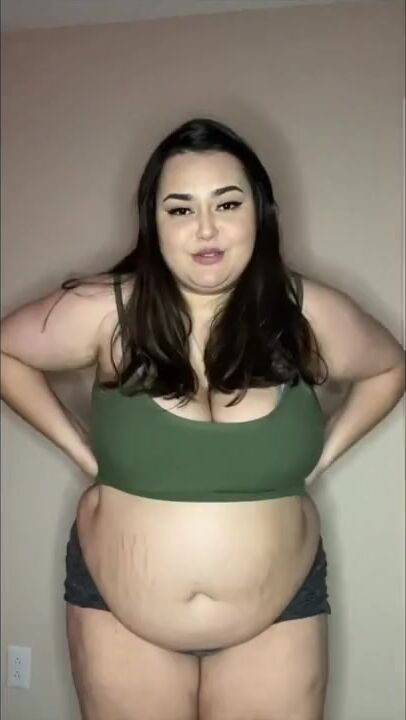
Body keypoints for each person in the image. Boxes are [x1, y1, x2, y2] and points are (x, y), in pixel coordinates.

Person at [1, 117, 404, 720]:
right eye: (181, 209)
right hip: (120, 618)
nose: (206, 228)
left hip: (277, 619)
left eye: (227, 203)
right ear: (154, 223)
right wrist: (83, 450)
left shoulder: (305, 313)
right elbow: (7, 353)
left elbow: (389, 369)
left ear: (260, 212)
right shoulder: (109, 309)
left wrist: (320, 457)